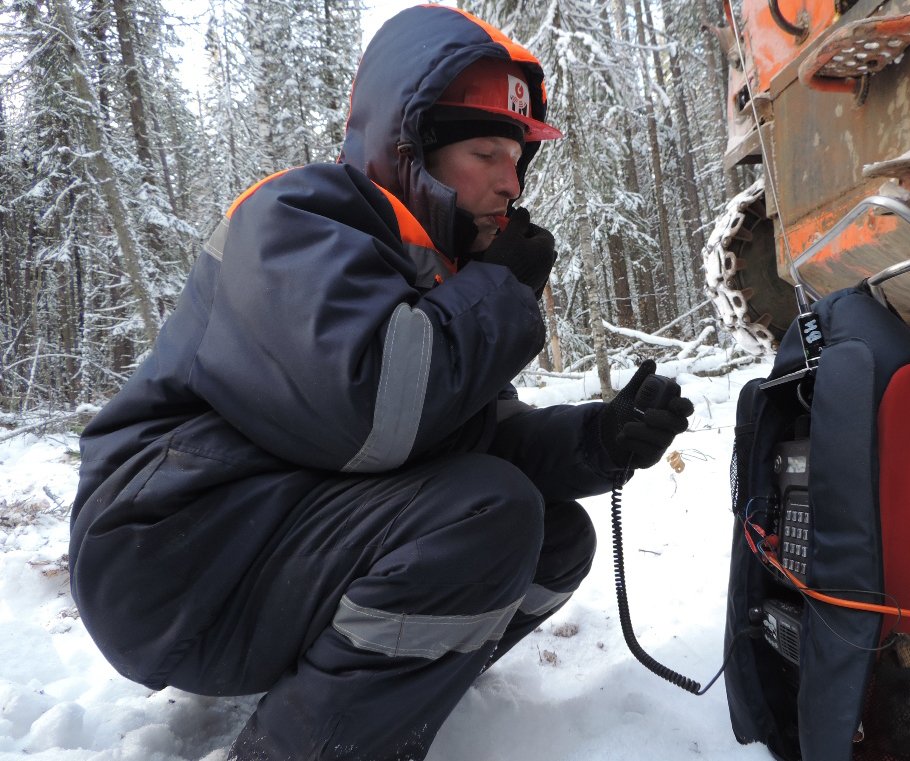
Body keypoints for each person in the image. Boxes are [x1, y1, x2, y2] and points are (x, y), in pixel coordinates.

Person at [68, 5, 694, 760]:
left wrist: (600, 436)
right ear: (412, 148)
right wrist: (498, 295)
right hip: (171, 557)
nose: (513, 180)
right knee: (487, 515)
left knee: (553, 538)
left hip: (261, 552)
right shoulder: (300, 217)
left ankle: (370, 694)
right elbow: (367, 417)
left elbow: (475, 438)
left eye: (521, 156)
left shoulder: (437, 272)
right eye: (487, 152)